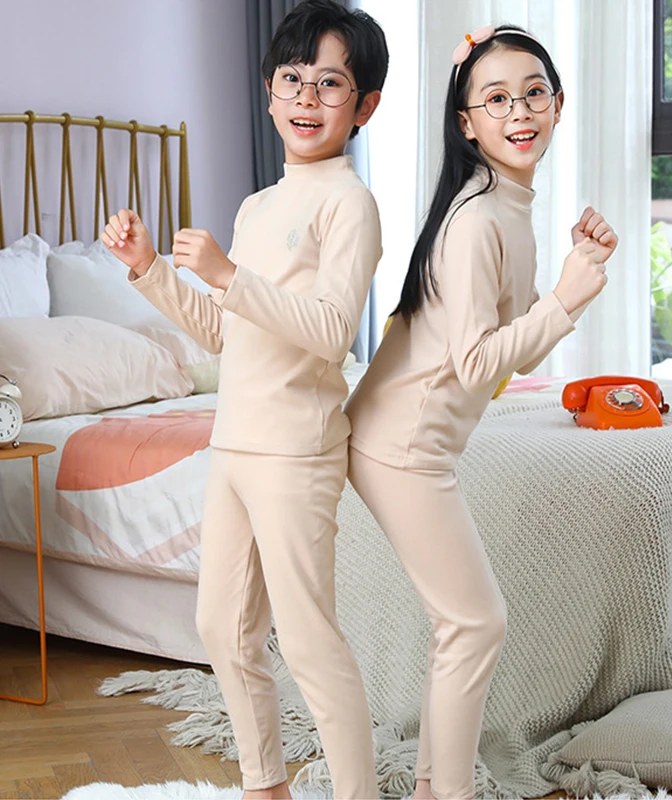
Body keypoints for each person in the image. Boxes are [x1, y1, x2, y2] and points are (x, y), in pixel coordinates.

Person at [101, 2, 388, 797]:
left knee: (309, 642)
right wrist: (151, 269)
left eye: (329, 83)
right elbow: (227, 335)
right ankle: (266, 785)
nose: (306, 98)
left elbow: (330, 331)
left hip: (296, 448)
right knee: (221, 627)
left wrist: (228, 274)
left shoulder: (349, 202)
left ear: (364, 106)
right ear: (268, 92)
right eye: (292, 79)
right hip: (233, 442)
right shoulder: (257, 208)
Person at [344, 24, 617, 800]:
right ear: (467, 123)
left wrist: (575, 278)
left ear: (558, 104)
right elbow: (477, 363)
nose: (518, 110)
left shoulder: (509, 208)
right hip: (399, 443)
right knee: (476, 622)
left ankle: (437, 786)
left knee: (461, 624)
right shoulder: (477, 220)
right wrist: (563, 298)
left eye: (533, 93)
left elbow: (516, 353)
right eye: (496, 99)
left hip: (411, 440)